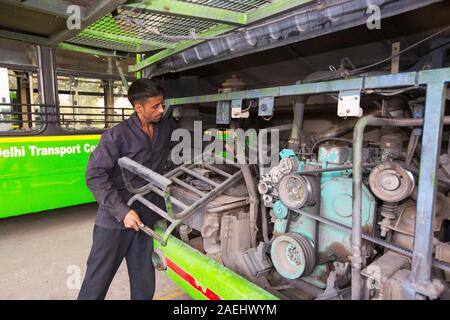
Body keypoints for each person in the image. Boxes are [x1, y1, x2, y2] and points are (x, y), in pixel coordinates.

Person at [78, 79, 176, 300]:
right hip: (114, 221)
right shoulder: (116, 136)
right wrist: (122, 212)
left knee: (144, 284)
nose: (161, 110)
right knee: (96, 282)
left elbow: (187, 140)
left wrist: (220, 142)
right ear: (138, 108)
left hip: (145, 218)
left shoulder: (165, 128)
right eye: (155, 106)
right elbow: (94, 176)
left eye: (162, 104)